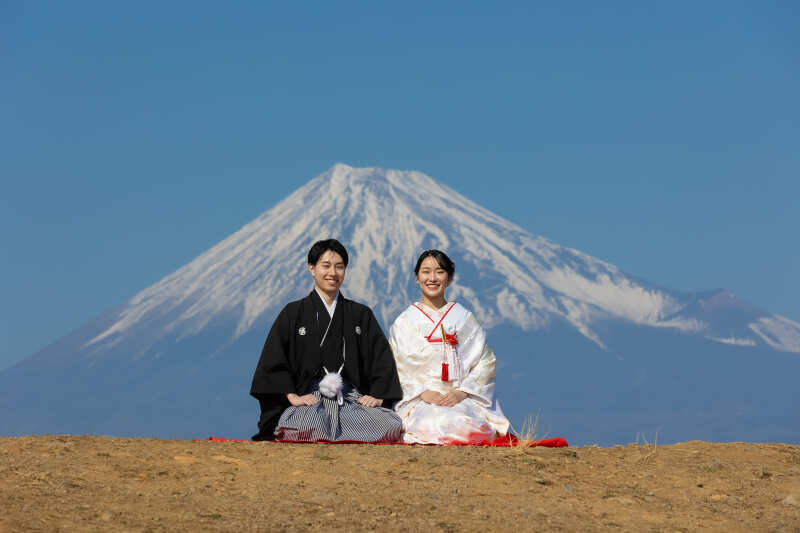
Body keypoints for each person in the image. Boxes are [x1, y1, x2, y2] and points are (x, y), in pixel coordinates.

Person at [250, 239, 403, 442]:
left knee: (390, 425)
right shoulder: (293, 312)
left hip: (350, 399)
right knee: (303, 425)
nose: (333, 273)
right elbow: (274, 360)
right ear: (312, 268)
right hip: (311, 399)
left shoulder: (360, 314)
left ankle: (340, 432)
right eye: (326, 265)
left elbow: (381, 360)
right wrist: (292, 397)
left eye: (339, 267)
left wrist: (378, 396)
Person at [389, 250, 510, 444]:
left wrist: (461, 392)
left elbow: (485, 362)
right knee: (430, 424)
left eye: (440, 272)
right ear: (417, 277)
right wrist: (421, 392)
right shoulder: (405, 322)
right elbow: (394, 366)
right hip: (420, 399)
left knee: (465, 423)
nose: (432, 278)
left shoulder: (463, 318)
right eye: (426, 272)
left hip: (461, 397)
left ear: (450, 278)